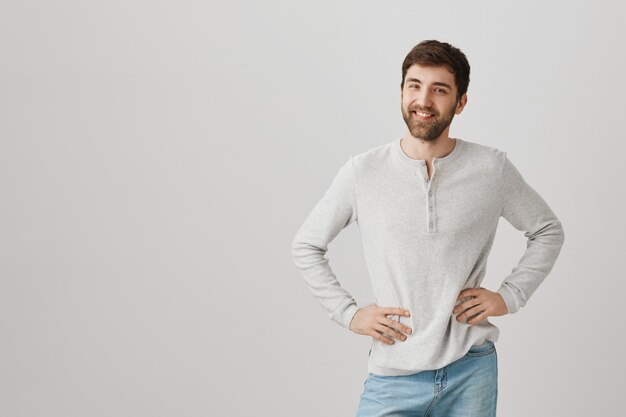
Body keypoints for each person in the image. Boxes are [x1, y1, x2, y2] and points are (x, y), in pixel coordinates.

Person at [291, 39, 565, 417]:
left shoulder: (491, 169)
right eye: (414, 86)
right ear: (401, 93)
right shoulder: (363, 172)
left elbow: (547, 230)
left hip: (472, 367)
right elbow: (306, 245)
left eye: (439, 90)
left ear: (461, 102)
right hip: (393, 373)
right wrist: (349, 313)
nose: (424, 100)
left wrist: (509, 296)